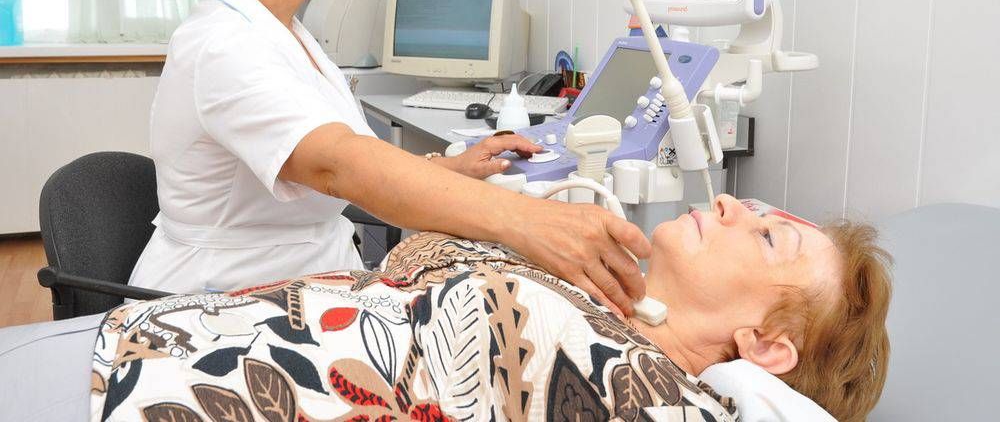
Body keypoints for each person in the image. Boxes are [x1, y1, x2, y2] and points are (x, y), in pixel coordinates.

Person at [126, 0, 650, 318]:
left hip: (298, 280)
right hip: (221, 305)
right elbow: (337, 164)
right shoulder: (222, 45)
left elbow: (344, 159)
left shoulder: (283, 31)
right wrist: (529, 222)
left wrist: (447, 167)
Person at [91, 195, 892, 421]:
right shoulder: (606, 315)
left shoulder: (641, 392)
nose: (729, 204)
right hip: (165, 344)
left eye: (766, 237)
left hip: (160, 393)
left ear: (766, 346)